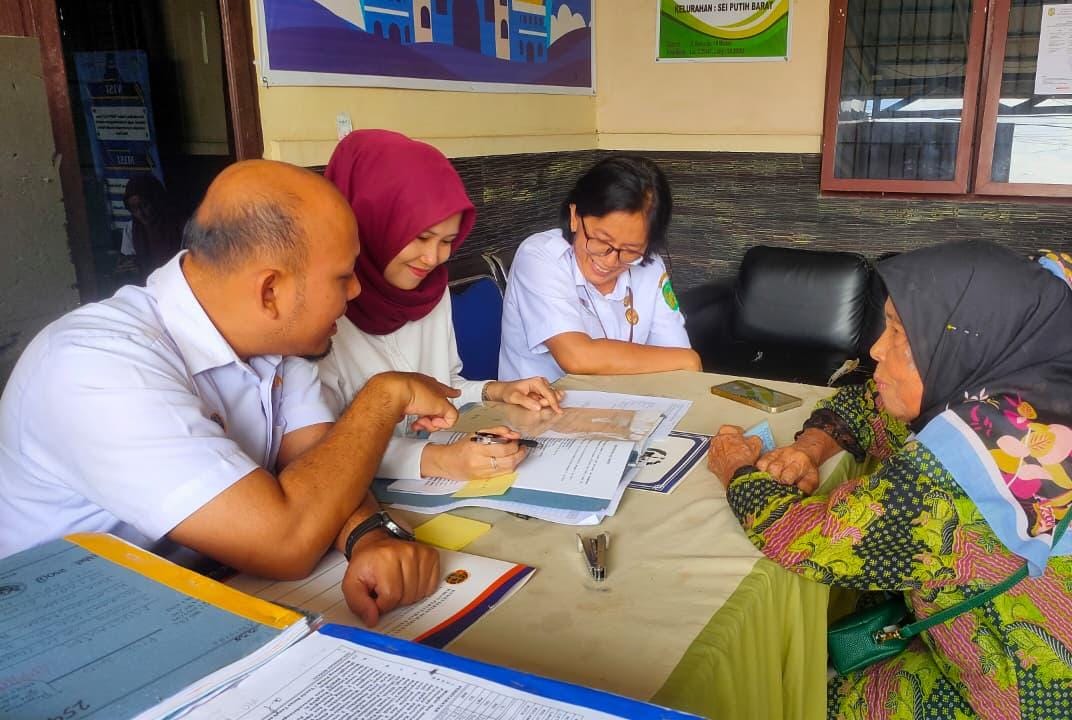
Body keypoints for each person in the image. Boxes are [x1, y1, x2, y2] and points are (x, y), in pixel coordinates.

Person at [0, 160, 458, 626]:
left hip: (194, 597)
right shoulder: (95, 366)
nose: (357, 290)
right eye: (343, 277)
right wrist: (383, 398)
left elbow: (320, 464)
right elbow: (284, 543)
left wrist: (370, 536)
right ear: (270, 291)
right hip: (69, 630)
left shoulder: (276, 339)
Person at [707, 241, 1072, 719]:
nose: (876, 347)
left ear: (965, 343)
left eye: (899, 332)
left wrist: (735, 466)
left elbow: (810, 541)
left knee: (787, 700)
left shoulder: (964, 464)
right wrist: (809, 447)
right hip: (999, 649)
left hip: (1021, 698)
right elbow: (869, 407)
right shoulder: (1023, 401)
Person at [316, 130, 563, 482]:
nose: (432, 258)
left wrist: (498, 391)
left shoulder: (428, 288)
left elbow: (441, 384)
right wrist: (438, 461)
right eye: (420, 238)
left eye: (448, 241)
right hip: (353, 501)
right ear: (370, 222)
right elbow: (320, 448)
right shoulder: (320, 313)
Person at [498, 155, 700, 383]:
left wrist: (684, 361)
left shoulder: (649, 265)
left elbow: (680, 365)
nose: (611, 261)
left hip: (625, 409)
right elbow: (577, 358)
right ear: (575, 216)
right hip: (540, 412)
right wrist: (685, 360)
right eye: (602, 241)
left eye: (630, 250)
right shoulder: (540, 256)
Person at [122, 174, 184, 278]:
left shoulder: (180, 225)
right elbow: (129, 261)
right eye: (134, 208)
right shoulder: (131, 229)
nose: (140, 213)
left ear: (156, 201)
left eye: (144, 205)